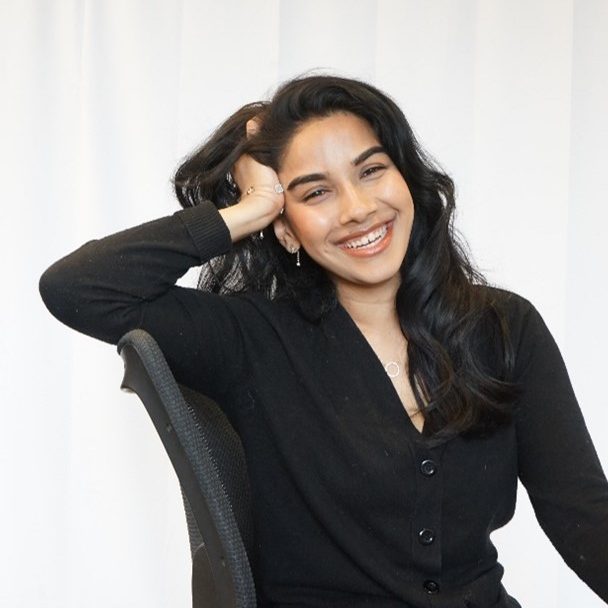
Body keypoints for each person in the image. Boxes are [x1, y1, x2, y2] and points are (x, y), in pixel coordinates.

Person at [39, 74, 608, 608]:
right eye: (315, 194)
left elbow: (583, 514)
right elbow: (77, 288)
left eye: (371, 170)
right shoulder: (250, 339)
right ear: (285, 228)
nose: (359, 210)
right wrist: (249, 210)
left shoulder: (502, 326)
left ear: (405, 178)